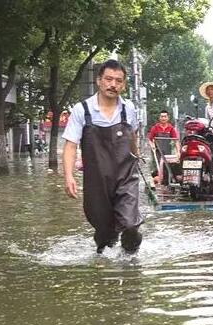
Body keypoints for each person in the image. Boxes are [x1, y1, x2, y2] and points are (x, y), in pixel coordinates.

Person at [62, 59, 142, 254]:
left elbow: (133, 135)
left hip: (125, 177)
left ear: (123, 85)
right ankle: (105, 272)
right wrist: (69, 176)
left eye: (118, 81)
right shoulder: (82, 110)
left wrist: (137, 159)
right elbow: (71, 146)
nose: (113, 84)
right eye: (108, 79)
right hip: (96, 181)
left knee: (131, 225)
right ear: (99, 81)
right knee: (105, 234)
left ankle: (131, 262)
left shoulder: (128, 109)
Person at [147, 110, 181, 185]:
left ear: (167, 118)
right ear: (159, 118)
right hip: (157, 152)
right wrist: (152, 145)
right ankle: (155, 181)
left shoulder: (171, 128)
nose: (163, 118)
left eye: (165, 116)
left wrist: (178, 151)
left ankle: (165, 181)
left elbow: (176, 141)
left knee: (167, 168)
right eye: (162, 116)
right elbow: (150, 139)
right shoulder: (155, 128)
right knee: (157, 168)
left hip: (167, 152)